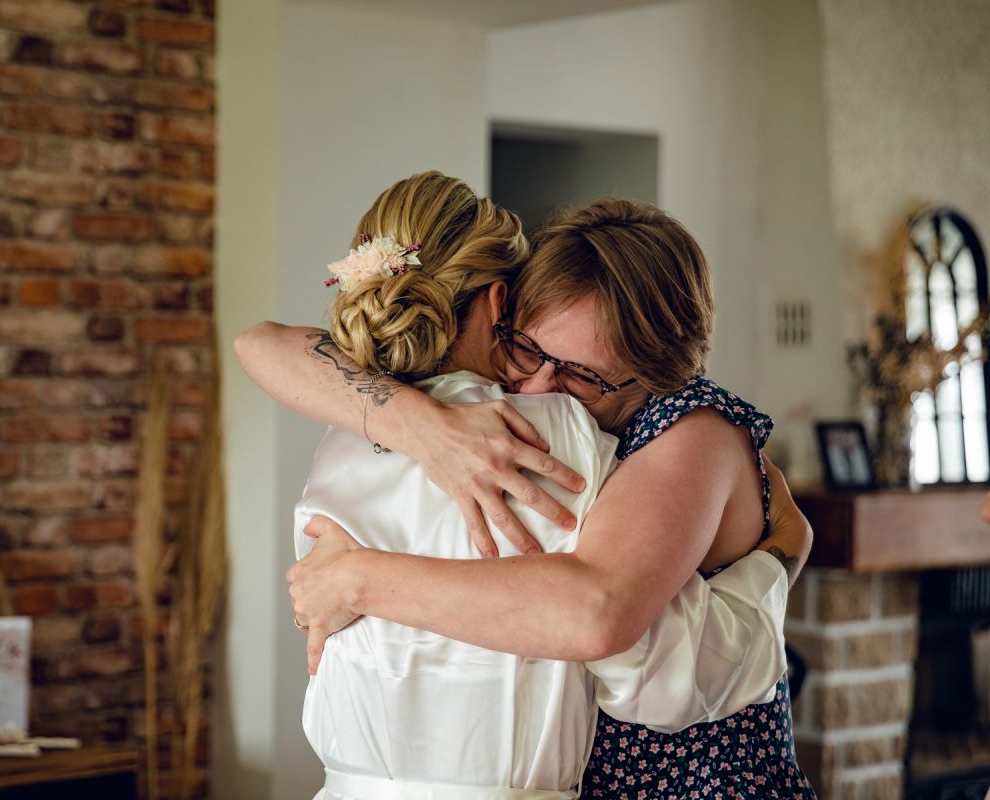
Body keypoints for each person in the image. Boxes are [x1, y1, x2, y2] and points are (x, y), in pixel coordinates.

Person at [236, 173, 811, 798]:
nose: (536, 388)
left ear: (659, 370)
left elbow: (599, 617)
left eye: (581, 375)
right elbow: (259, 343)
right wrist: (425, 427)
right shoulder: (484, 424)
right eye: (526, 348)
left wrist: (358, 579)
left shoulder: (694, 431)